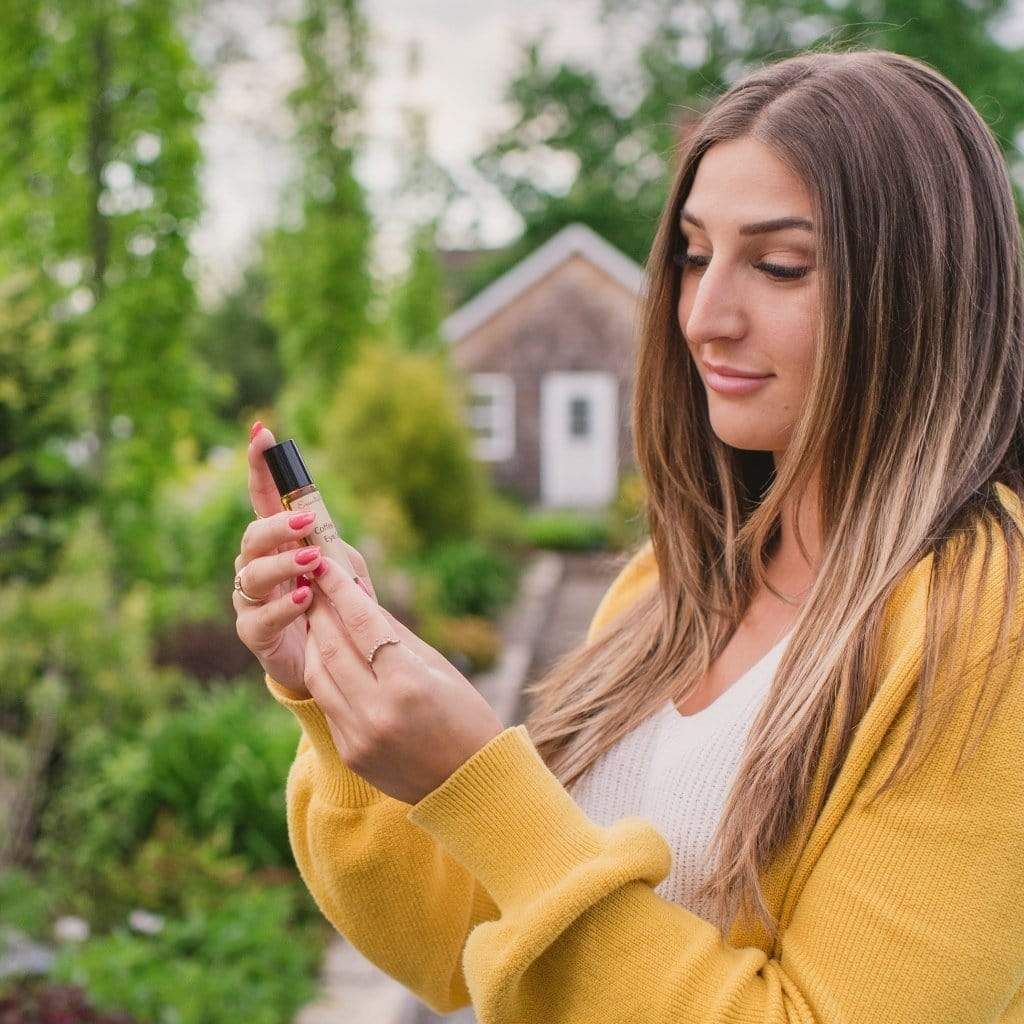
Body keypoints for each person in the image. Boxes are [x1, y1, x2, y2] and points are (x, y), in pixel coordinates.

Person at [232, 47, 1024, 1023]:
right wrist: (335, 682)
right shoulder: (672, 584)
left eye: (779, 265)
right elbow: (450, 945)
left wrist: (480, 783)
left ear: (918, 295)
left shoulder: (987, 622)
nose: (704, 316)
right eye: (693, 255)